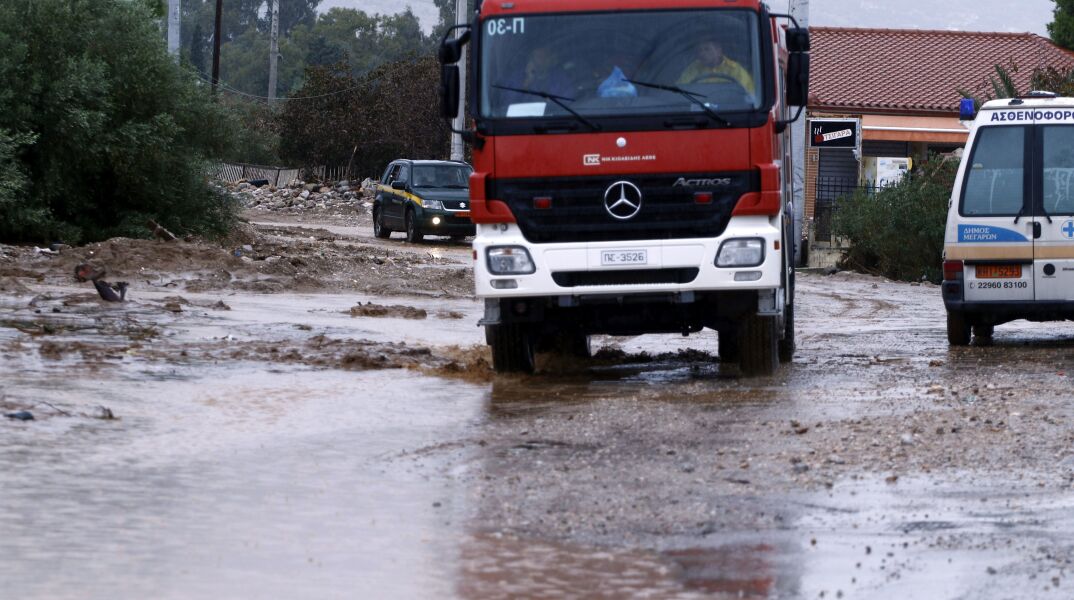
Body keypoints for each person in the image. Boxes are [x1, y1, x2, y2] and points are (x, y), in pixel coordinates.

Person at [677, 39, 754, 92]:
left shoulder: (735, 69)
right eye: (700, 50)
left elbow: (749, 94)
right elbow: (681, 90)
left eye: (707, 49)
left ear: (719, 51)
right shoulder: (693, 68)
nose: (702, 53)